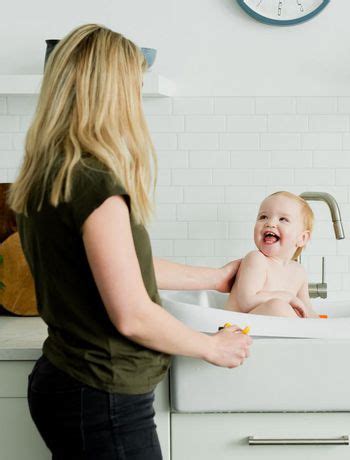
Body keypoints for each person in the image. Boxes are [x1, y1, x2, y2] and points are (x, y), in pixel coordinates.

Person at [7, 23, 251, 460]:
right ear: (111, 92)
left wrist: (215, 278)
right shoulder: (93, 182)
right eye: (133, 86)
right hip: (102, 397)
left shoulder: (50, 173)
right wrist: (212, 346)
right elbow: (133, 316)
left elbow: (120, 264)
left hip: (72, 382)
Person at [225, 191, 320, 319]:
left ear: (302, 238)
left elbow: (306, 308)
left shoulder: (299, 271)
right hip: (237, 327)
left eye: (283, 219)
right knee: (277, 306)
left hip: (272, 331)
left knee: (308, 317)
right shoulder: (256, 259)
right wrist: (287, 297)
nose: (270, 223)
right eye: (263, 217)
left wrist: (319, 321)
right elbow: (246, 302)